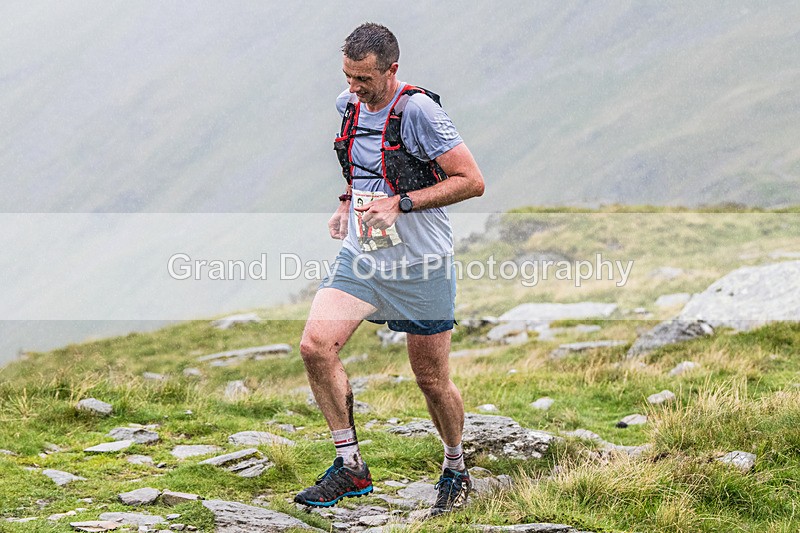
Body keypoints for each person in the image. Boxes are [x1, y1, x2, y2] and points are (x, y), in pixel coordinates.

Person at [294, 22, 485, 516]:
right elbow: (362, 167)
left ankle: (456, 468)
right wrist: (345, 203)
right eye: (348, 76)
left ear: (392, 69)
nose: (353, 89)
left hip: (422, 264)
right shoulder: (348, 105)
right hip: (365, 255)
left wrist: (402, 203)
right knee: (315, 346)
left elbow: (471, 181)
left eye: (364, 79)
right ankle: (350, 466)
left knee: (431, 380)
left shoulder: (420, 112)